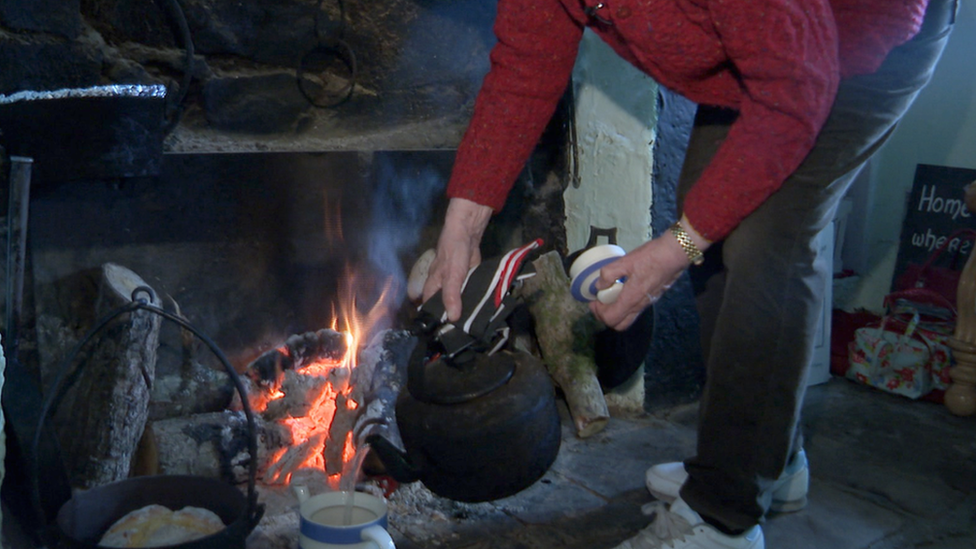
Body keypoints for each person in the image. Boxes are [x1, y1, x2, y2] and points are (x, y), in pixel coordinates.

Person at [420, 1, 958, 548]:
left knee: (767, 239)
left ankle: (726, 516)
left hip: (861, 40)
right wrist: (462, 227)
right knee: (711, 212)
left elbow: (796, 90)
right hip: (768, 52)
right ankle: (770, 458)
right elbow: (524, 69)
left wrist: (676, 248)